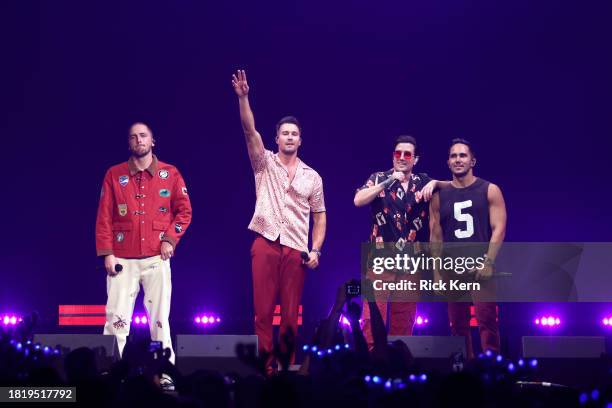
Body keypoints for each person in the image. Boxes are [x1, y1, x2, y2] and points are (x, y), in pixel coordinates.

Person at [231, 70, 327, 370]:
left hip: (296, 250)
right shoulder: (264, 162)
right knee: (262, 313)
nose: (289, 137)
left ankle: (285, 368)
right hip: (266, 242)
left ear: (300, 139)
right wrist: (244, 97)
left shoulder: (313, 177)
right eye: (284, 133)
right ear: (276, 138)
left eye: (294, 133)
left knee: (289, 315)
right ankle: (265, 369)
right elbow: (249, 131)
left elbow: (320, 217)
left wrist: (316, 249)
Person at [96, 122, 192, 364]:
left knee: (160, 320)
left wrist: (170, 239)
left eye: (143, 136)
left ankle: (165, 372)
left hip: (156, 257)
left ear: (152, 141)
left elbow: (184, 212)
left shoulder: (170, 173)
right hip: (121, 258)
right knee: (115, 319)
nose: (138, 140)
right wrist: (107, 253)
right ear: (128, 143)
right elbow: (104, 216)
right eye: (133, 137)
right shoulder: (114, 174)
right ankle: (110, 371)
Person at [354, 135, 446, 346]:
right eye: (398, 153)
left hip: (410, 262)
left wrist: (436, 182)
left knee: (404, 321)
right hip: (379, 259)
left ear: (415, 159)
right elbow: (358, 200)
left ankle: (399, 370)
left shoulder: (422, 181)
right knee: (371, 317)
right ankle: (371, 367)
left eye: (407, 154)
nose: (402, 157)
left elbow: (457, 184)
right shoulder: (378, 177)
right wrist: (388, 181)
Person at [429, 138, 507, 359]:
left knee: (487, 320)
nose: (458, 160)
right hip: (453, 268)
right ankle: (464, 370)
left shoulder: (489, 190)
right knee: (457, 325)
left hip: (481, 265)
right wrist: (436, 272)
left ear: (473, 161)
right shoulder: (439, 196)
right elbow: (436, 237)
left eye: (462, 155)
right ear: (448, 162)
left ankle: (491, 368)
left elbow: (499, 228)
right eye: (453, 156)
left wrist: (489, 261)